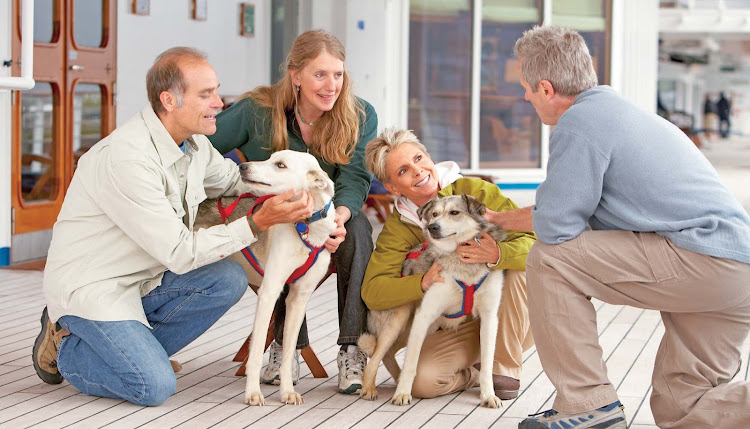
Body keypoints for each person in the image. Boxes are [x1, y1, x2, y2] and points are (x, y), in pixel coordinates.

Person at [32, 47, 314, 406]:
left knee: (227, 278)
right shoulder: (128, 159)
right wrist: (257, 222)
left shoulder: (192, 144)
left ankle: (131, 352)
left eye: (216, 90)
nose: (219, 102)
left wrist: (302, 193)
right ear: (169, 100)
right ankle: (66, 345)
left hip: (145, 280)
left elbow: (232, 180)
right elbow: (181, 253)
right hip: (95, 290)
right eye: (206, 94)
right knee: (153, 386)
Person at [504, 26, 750, 429]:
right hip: (735, 272)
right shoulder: (621, 114)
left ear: (546, 89)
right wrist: (500, 220)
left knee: (549, 260)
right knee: (682, 407)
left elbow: (555, 228)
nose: (525, 97)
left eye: (527, 89)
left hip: (704, 259)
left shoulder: (580, 122)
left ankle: (588, 405)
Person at [209, 29, 377, 394]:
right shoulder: (258, 110)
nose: (331, 85)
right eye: (320, 74)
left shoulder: (360, 115)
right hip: (269, 219)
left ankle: (351, 348)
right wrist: (223, 181)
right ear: (296, 75)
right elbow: (202, 139)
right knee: (287, 236)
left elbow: (355, 176)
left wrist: (340, 218)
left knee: (359, 231)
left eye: (338, 74)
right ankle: (286, 348)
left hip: (328, 216)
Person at [361, 127, 536, 401]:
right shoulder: (399, 226)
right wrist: (422, 282)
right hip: (456, 324)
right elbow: (373, 291)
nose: (418, 171)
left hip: (510, 320)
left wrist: (497, 253)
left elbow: (534, 241)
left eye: (419, 159)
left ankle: (503, 372)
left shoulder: (475, 191)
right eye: (403, 171)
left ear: (429, 157)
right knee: (422, 383)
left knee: (513, 271)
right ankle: (476, 372)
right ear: (393, 187)